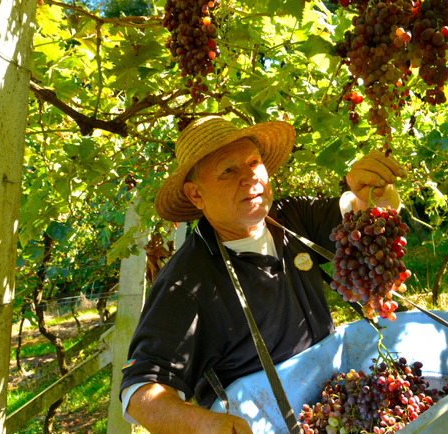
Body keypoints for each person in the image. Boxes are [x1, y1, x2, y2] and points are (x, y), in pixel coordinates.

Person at [120, 116, 405, 433]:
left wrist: (375, 191)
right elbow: (141, 391)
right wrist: (200, 424)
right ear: (195, 194)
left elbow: (368, 217)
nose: (249, 177)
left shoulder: (292, 218)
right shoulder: (186, 283)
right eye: (228, 170)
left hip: (337, 407)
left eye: (254, 162)